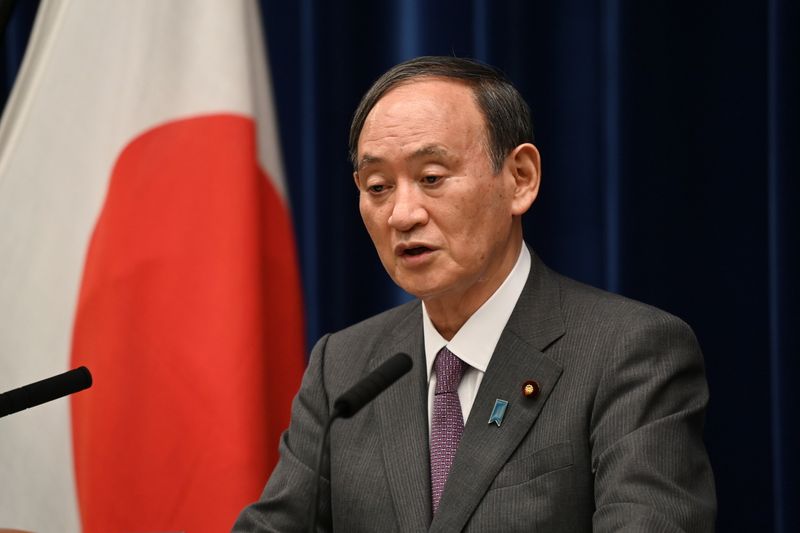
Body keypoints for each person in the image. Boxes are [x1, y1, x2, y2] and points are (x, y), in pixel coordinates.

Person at [234, 56, 716, 532]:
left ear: (520, 179)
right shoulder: (344, 368)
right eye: (378, 186)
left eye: (431, 179)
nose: (402, 215)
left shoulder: (628, 353)